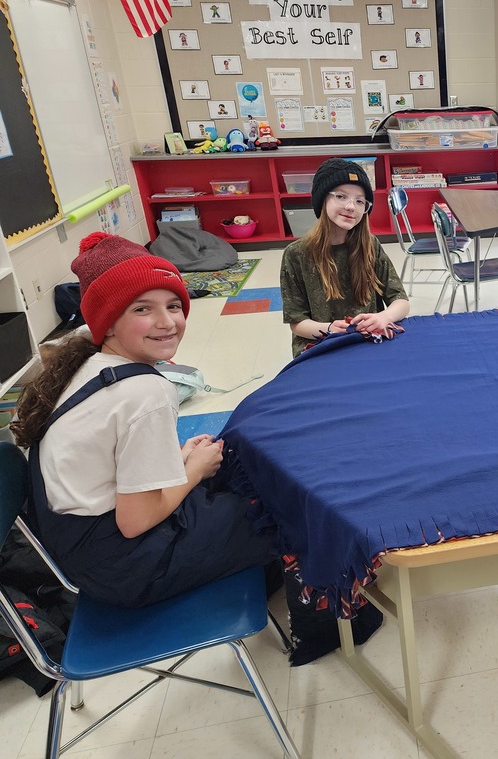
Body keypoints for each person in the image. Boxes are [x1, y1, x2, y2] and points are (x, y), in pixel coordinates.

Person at [10, 233, 278, 607]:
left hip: (74, 546)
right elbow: (134, 521)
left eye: (174, 305)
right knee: (278, 509)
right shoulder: (146, 393)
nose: (166, 322)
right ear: (110, 321)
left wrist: (178, 459)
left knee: (231, 473)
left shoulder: (84, 361)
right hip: (123, 566)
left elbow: (107, 462)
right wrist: (194, 471)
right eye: (142, 309)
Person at [281, 158, 409, 358]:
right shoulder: (296, 254)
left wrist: (384, 317)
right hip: (321, 343)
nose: (351, 207)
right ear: (322, 199)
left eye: (360, 201)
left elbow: (401, 301)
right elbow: (297, 323)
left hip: (366, 341)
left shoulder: (370, 245)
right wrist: (330, 328)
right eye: (341, 196)